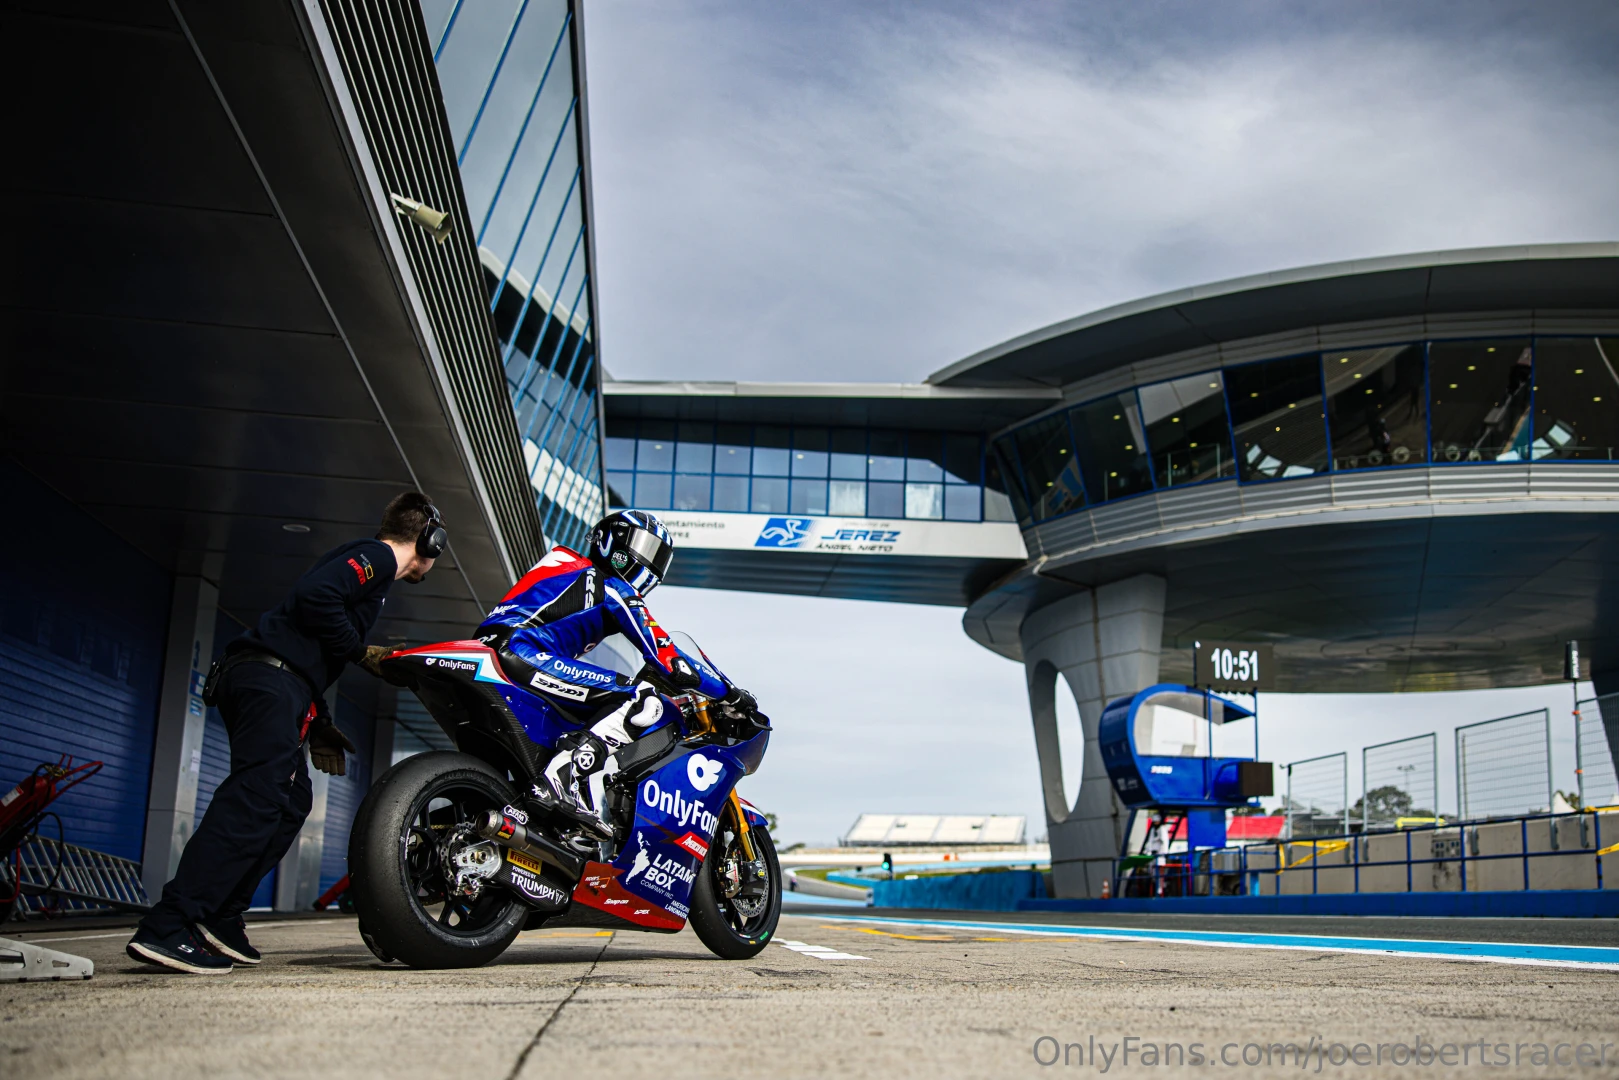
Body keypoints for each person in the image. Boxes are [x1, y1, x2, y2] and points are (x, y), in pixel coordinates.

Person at [126, 493, 445, 974]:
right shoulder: (378, 557)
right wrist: (360, 653)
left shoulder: (374, 572)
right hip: (267, 679)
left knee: (291, 802)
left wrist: (317, 719)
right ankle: (170, 924)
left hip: (280, 685)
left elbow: (309, 635)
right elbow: (314, 598)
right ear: (429, 539)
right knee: (256, 797)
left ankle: (221, 918)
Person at [476, 509, 754, 838]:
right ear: (611, 542)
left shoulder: (570, 570)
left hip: (497, 650)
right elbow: (669, 659)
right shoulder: (609, 587)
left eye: (656, 556)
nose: (648, 562)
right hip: (523, 653)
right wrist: (729, 693)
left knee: (582, 714)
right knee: (641, 698)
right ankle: (562, 777)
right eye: (643, 547)